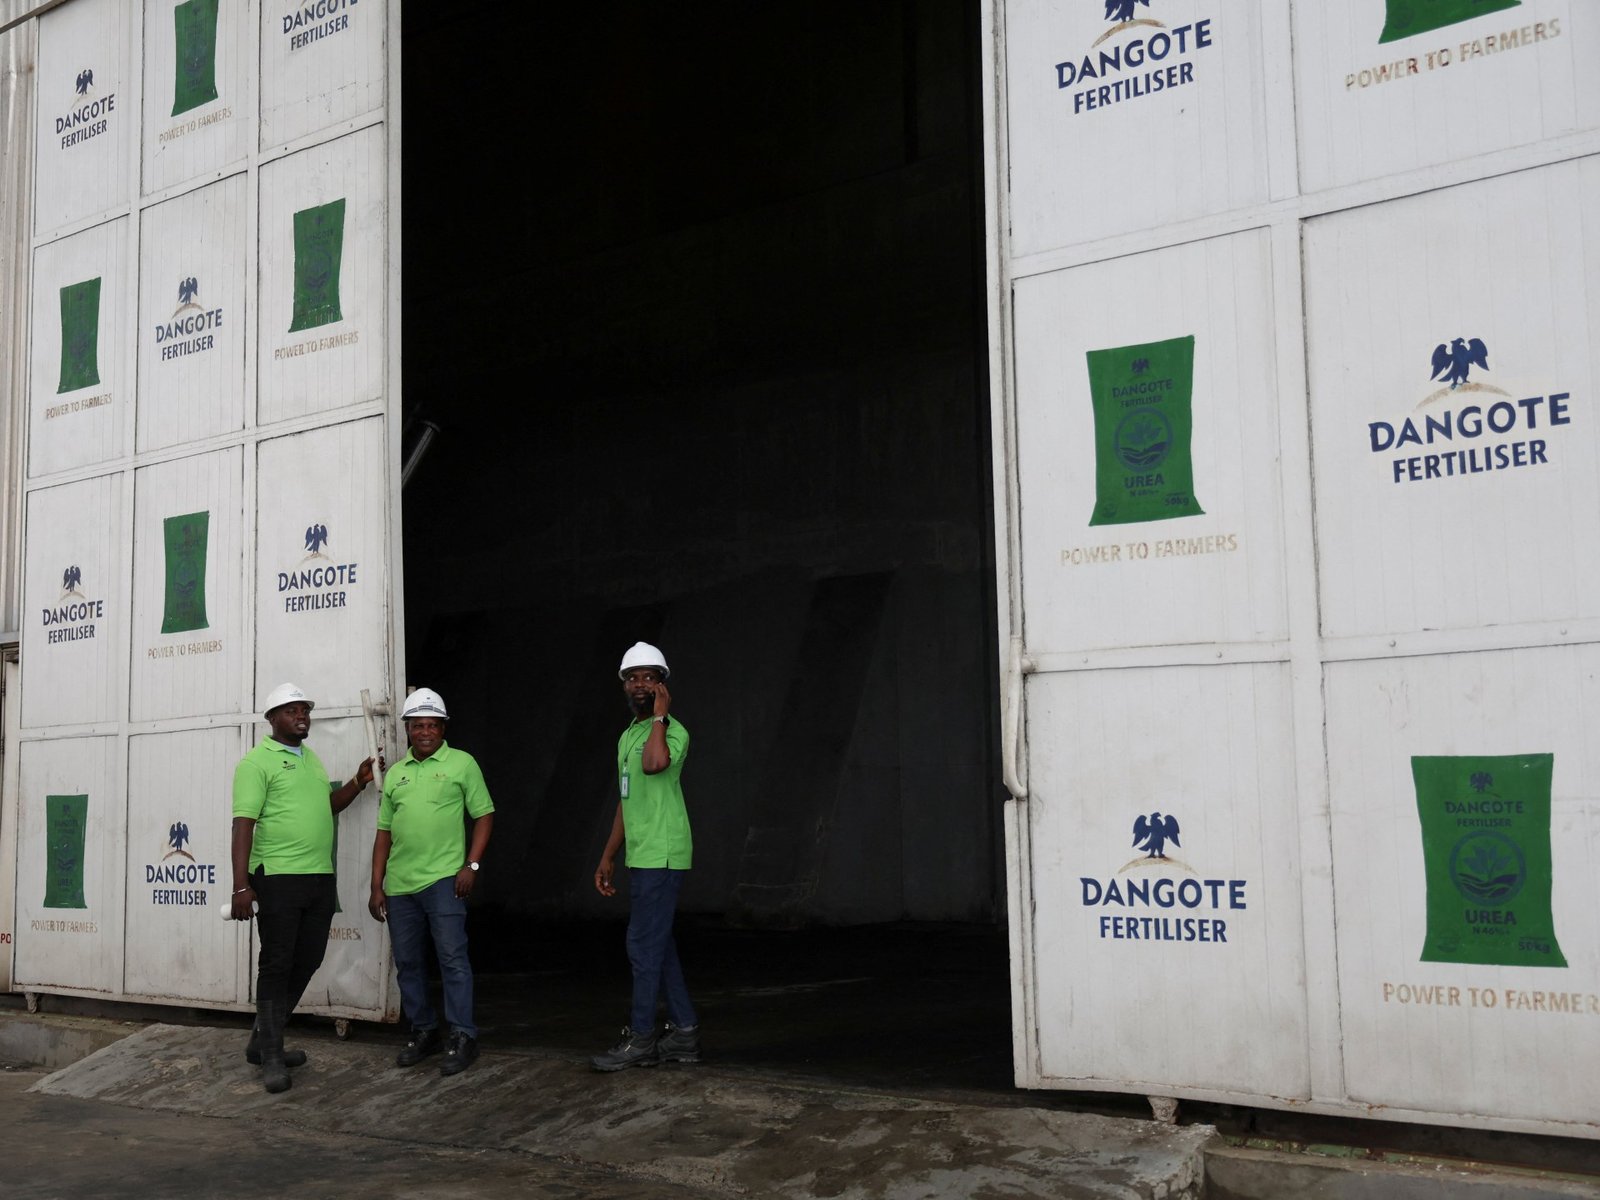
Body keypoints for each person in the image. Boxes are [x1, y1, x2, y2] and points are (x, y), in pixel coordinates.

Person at [231, 682, 376, 1094]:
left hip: (318, 877)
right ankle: (272, 1055)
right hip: (277, 877)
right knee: (276, 964)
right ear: (272, 719)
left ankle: (263, 1042)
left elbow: (324, 808)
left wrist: (358, 781)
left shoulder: (311, 760)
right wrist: (241, 886)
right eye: (292, 710)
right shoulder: (256, 763)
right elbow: (243, 825)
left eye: (305, 710)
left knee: (308, 958)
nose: (301, 716)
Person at [368, 688, 494, 1076]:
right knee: (408, 963)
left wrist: (471, 866)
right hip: (400, 886)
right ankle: (424, 1031)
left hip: (444, 880)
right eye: (418, 725)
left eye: (432, 725)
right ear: (407, 729)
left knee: (452, 958)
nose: (425, 732)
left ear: (443, 728)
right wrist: (376, 885)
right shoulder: (397, 773)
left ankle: (463, 1035)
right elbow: (384, 832)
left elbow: (484, 815)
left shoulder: (462, 764)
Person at [591, 642, 700, 1070]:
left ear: (662, 687)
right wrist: (608, 854)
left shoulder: (672, 731)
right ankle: (685, 1034)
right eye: (633, 678)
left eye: (649, 678)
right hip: (641, 853)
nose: (640, 684)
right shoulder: (627, 736)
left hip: (664, 853)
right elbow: (626, 798)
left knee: (641, 945)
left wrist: (659, 716)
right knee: (659, 943)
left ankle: (641, 1038)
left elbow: (654, 765)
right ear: (624, 685)